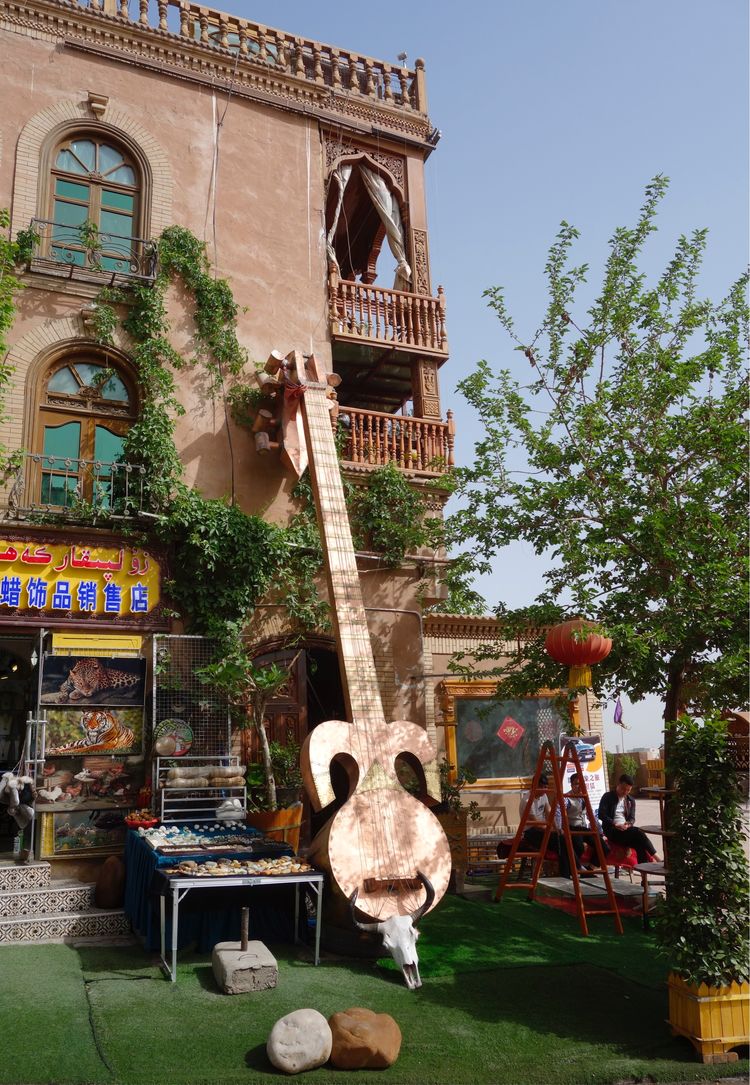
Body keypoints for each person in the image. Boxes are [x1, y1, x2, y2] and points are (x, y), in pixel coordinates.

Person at [598, 774, 659, 864]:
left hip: (626, 830)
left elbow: (632, 818)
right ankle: (657, 858)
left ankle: (643, 870)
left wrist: (628, 824)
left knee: (640, 844)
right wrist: (615, 824)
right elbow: (601, 815)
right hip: (612, 831)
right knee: (639, 831)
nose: (625, 792)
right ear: (618, 784)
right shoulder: (607, 797)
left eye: (628, 790)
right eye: (623, 789)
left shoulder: (630, 800)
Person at [565, 772, 609, 869]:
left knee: (604, 847)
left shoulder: (584, 797)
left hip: (584, 828)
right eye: (577, 784)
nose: (580, 787)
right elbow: (559, 815)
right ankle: (573, 870)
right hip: (572, 829)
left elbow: (591, 816)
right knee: (579, 847)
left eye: (582, 784)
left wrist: (600, 832)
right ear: (571, 785)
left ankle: (590, 870)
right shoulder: (567, 798)